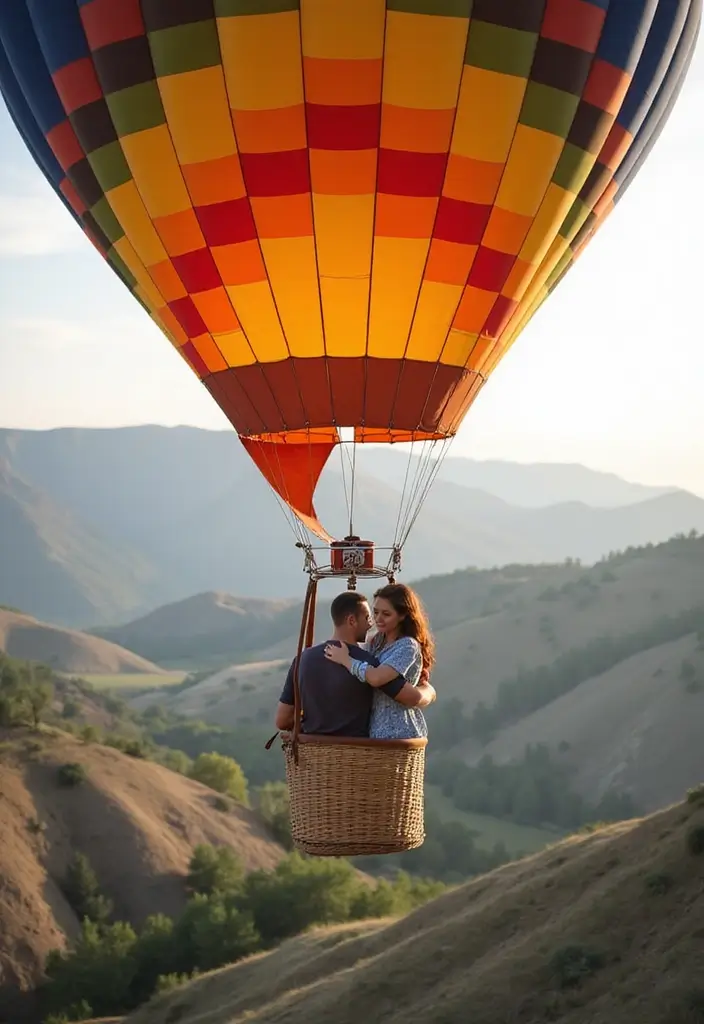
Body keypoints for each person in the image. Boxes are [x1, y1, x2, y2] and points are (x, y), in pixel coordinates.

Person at [275, 590, 435, 737]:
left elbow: (282, 721)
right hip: (357, 754)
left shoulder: (302, 659)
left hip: (314, 757)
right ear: (352, 620)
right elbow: (410, 697)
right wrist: (429, 690)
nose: (371, 623)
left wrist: (311, 724)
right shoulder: (370, 663)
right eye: (368, 617)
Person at [323, 583, 434, 740]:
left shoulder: (407, 645)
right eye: (375, 613)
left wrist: (346, 660)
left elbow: (376, 678)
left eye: (386, 614)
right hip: (375, 729)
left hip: (398, 731)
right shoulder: (377, 641)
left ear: (402, 615)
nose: (378, 619)